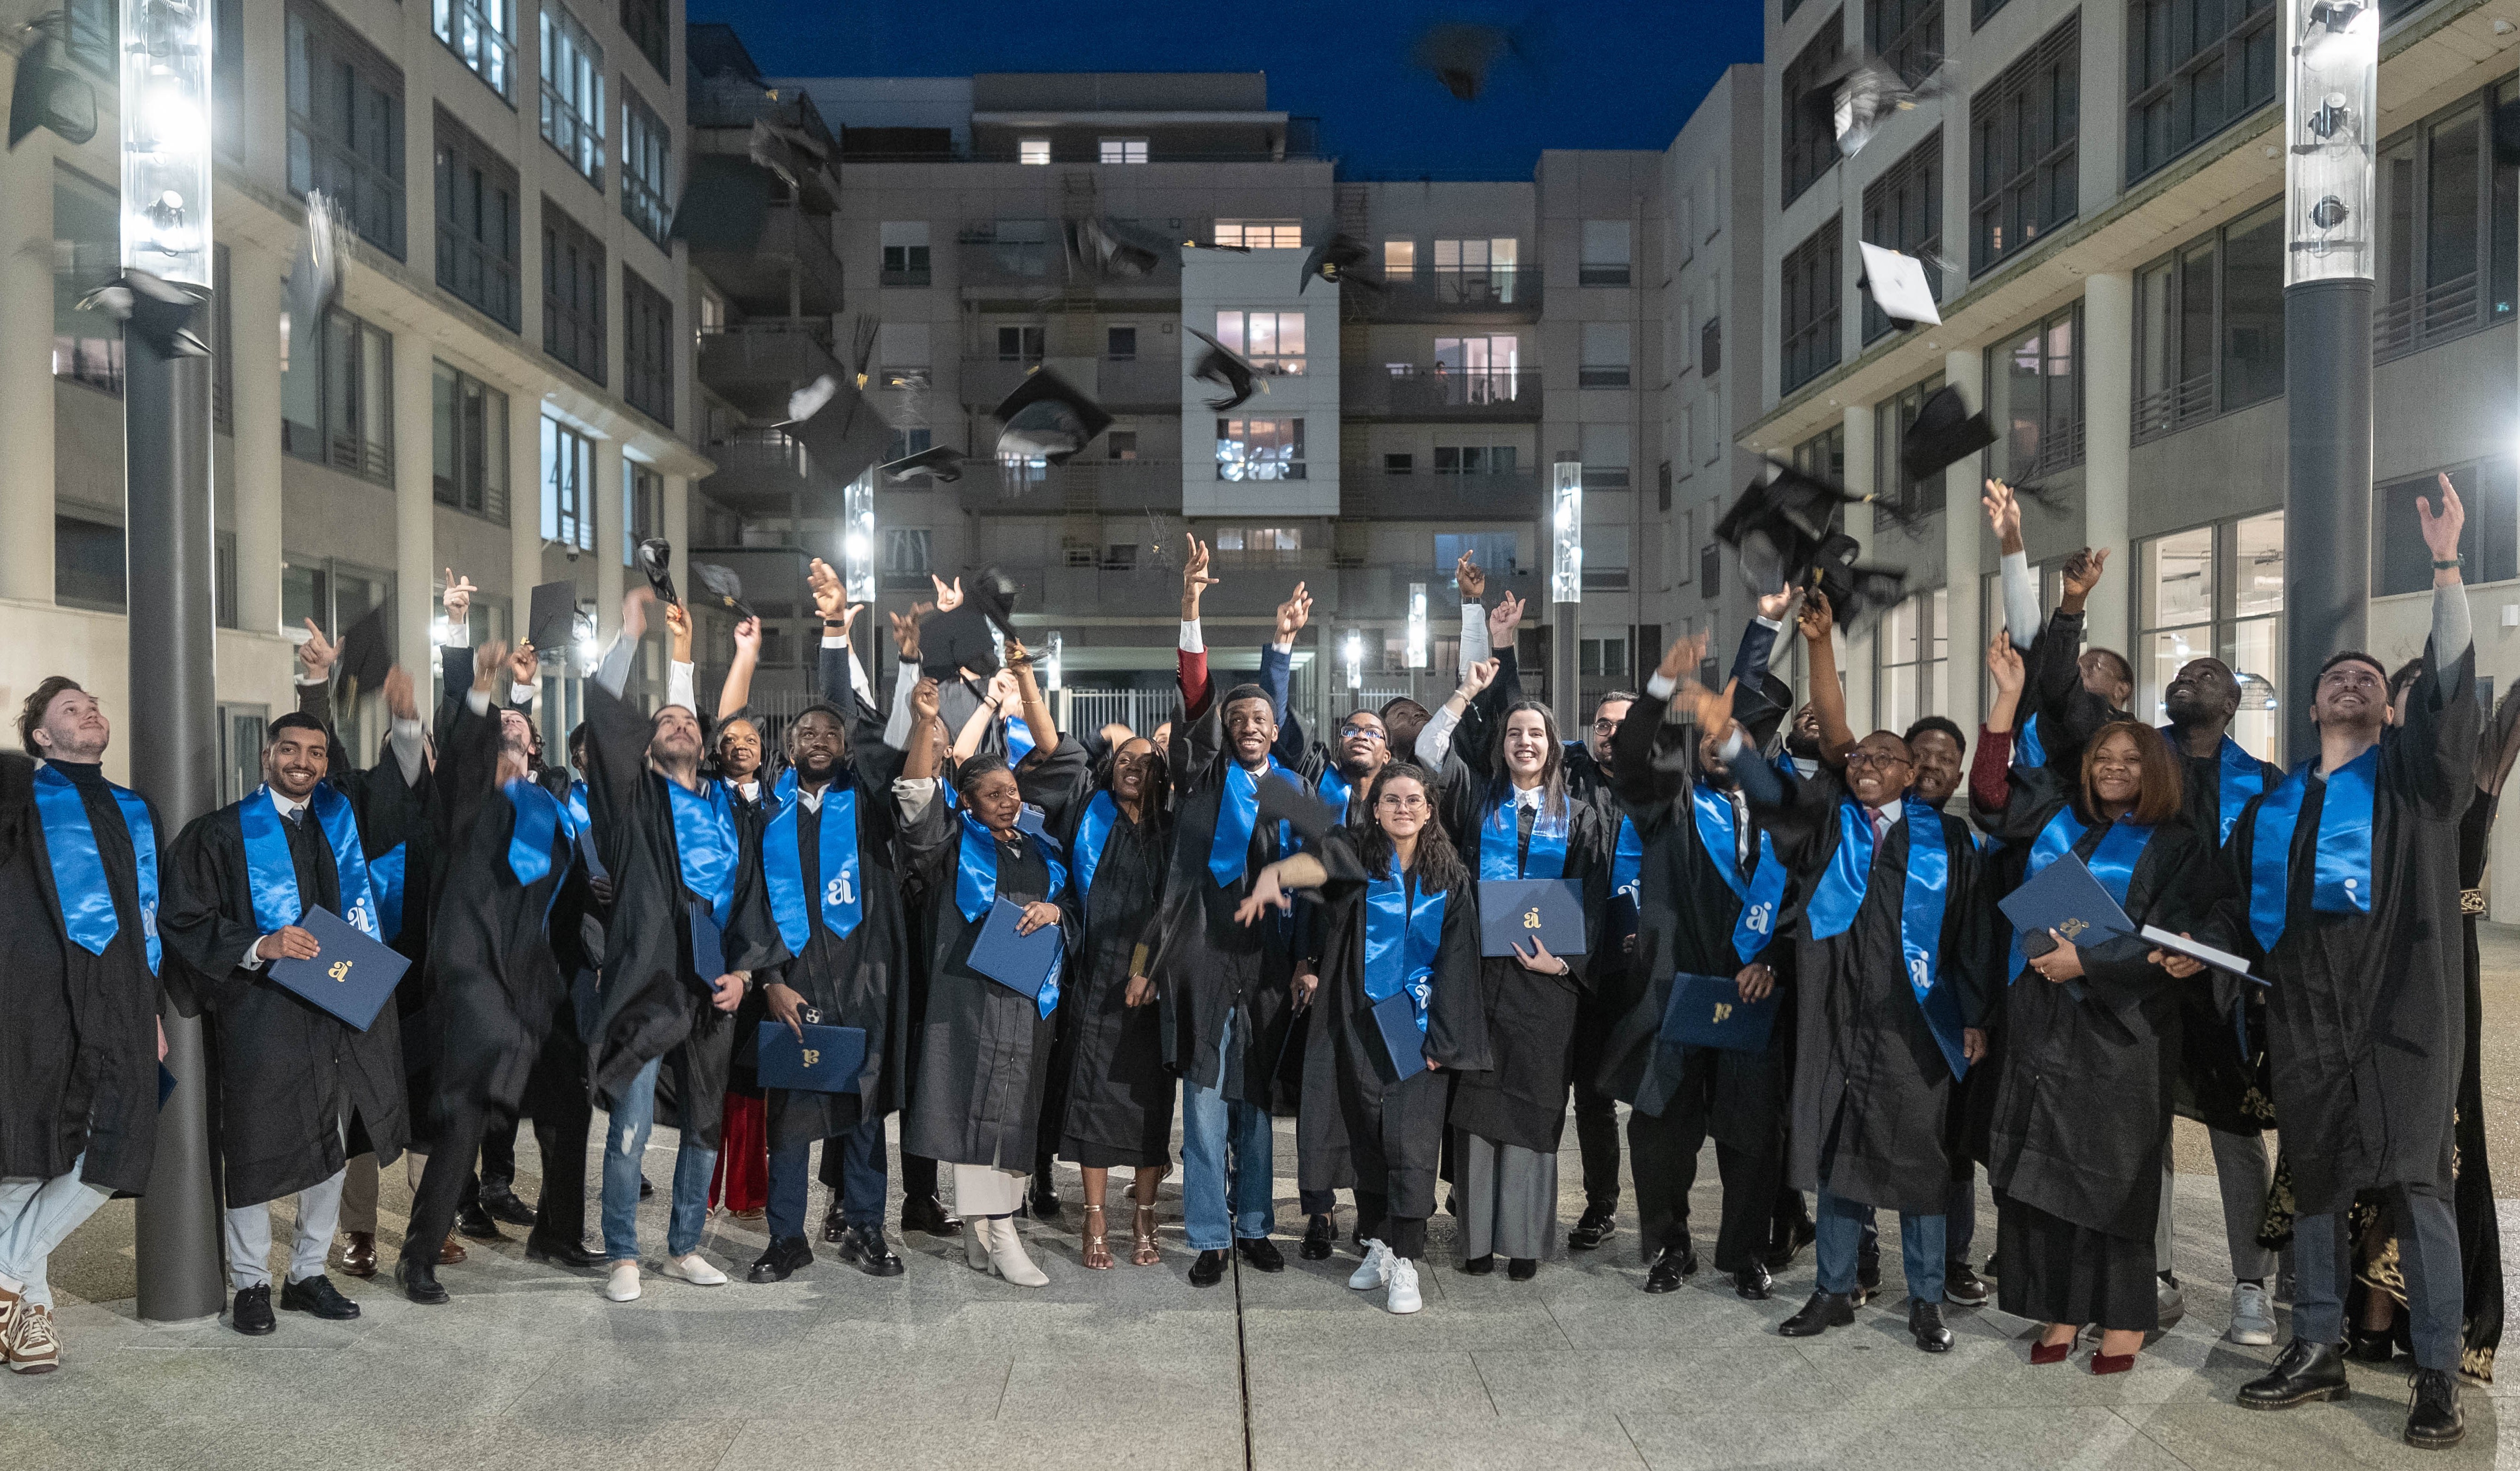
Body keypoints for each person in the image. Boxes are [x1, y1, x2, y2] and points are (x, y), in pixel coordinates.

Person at [2217, 479, 2476, 1448]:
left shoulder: (2415, 784)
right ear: (2313, 702)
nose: (2356, 681)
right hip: (2306, 1017)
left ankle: (2437, 1374)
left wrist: (2446, 564)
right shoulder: (2271, 807)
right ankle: (2317, 1346)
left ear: (2387, 707)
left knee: (2418, 1186)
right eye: (2339, 676)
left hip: (2405, 1013)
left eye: (2373, 678)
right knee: (2316, 1181)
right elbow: (2230, 908)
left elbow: (2450, 702)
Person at [1729, 593, 1993, 1354]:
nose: (1870, 763)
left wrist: (1972, 1016)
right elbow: (1834, 727)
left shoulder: (1948, 841)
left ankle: (1926, 1299)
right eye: (1863, 757)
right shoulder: (1828, 823)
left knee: (1919, 1162)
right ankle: (1833, 1289)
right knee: (1837, 1153)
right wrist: (1819, 643)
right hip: (1835, 1013)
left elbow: (1971, 940)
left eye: (1887, 758)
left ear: (1916, 775)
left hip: (1916, 1022)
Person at [1972, 643, 2225, 1373]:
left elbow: (2180, 938)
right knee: (2043, 1164)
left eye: (2132, 758)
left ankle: (2122, 1319)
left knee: (2113, 1173)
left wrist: (2087, 959)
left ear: (2158, 770)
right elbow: (1990, 793)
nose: (2115, 766)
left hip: (2124, 1027)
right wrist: (2005, 698)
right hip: (2043, 1014)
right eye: (2105, 756)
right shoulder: (2062, 820)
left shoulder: (2181, 846)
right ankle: (2059, 1305)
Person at [163, 683, 421, 1336]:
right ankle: (250, 1281)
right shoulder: (220, 832)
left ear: (326, 762)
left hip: (337, 1005)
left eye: (314, 751)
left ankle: (307, 1272)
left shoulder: (341, 821)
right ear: (266, 753)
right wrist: (259, 943)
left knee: (330, 1144)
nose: (302, 761)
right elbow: (185, 917)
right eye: (289, 749)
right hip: (262, 1011)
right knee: (251, 1144)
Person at [1236, 763, 1489, 1314]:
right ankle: (1379, 1245)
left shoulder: (1451, 878)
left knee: (1411, 1144)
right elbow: (1316, 865)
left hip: (1418, 1028)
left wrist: (1443, 1040)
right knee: (1366, 1138)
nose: (1402, 808)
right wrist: (1275, 875)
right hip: (1358, 1020)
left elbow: (1459, 963)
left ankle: (1407, 1263)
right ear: (1375, 810)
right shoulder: (1360, 862)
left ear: (1429, 811)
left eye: (1413, 800)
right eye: (1391, 799)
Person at [579, 588, 773, 1304]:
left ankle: (685, 1244)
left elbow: (753, 897)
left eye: (687, 720)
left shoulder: (727, 813)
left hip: (712, 988)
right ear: (648, 743)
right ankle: (625, 1252)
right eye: (663, 720)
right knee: (630, 1126)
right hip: (644, 983)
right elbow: (605, 722)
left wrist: (746, 976)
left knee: (703, 1121)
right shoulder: (631, 805)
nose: (678, 725)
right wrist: (630, 636)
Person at [393, 639, 591, 1303]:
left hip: (538, 986)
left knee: (569, 1107)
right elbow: (462, 760)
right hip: (475, 982)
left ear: (535, 750)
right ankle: (417, 1254)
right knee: (464, 1121)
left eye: (519, 732)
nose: (507, 738)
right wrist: (481, 690)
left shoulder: (555, 814)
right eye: (495, 732)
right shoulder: (462, 807)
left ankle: (557, 1233)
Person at [1603, 630, 1794, 1302]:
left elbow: (1806, 898)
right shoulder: (1670, 806)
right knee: (1662, 1129)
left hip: (1753, 995)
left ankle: (1743, 1252)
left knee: (1752, 1134)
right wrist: (1660, 685)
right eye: (1711, 737)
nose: (1719, 746)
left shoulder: (1785, 817)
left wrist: (1771, 955)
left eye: (1734, 737)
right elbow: (1630, 755)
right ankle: (1669, 1244)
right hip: (1673, 994)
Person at [895, 654, 1086, 1288]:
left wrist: (1055, 909)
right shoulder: (951, 842)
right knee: (977, 1110)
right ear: (969, 801)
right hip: (971, 994)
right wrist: (926, 724)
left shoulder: (1039, 844)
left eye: (1013, 790)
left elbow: (1073, 908)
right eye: (994, 792)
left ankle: (983, 1230)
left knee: (1015, 1112)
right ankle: (1000, 1229)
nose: (1010, 798)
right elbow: (918, 799)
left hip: (1029, 997)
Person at [745, 563, 913, 1284]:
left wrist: (836, 629)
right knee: (790, 1116)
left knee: (863, 1110)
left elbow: (847, 709)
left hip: (862, 974)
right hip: (796, 982)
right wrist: (771, 979)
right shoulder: (768, 813)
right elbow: (750, 901)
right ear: (789, 748)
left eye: (829, 732)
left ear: (845, 748)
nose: (818, 736)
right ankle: (788, 1237)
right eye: (805, 730)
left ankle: (867, 1226)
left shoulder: (866, 798)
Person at [1147, 536, 1303, 1287]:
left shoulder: (1291, 789)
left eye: (1261, 717)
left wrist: (1282, 652)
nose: (1248, 723)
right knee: (1205, 1096)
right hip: (1205, 950)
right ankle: (1210, 1232)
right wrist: (1192, 606)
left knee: (1256, 1099)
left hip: (1267, 955)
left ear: (1277, 730)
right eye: (1238, 717)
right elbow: (1198, 690)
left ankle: (1255, 1223)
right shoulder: (1201, 775)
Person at [0, 679, 167, 1372]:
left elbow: (150, 913)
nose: (91, 709)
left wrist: (151, 1005)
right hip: (36, 997)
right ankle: (30, 1311)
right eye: (69, 707)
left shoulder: (135, 808)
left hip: (124, 996)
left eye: (94, 702)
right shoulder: (17, 798)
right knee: (23, 1151)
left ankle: (6, 1276)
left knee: (120, 1142)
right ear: (39, 735)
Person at [1048, 735, 1175, 1270]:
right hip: (1096, 981)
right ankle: (1095, 1215)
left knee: (1148, 1103)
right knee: (1092, 1099)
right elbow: (1070, 895)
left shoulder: (1171, 835)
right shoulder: (1087, 822)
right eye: (1124, 761)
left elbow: (1172, 909)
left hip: (1150, 987)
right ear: (1109, 771)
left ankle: (1145, 1215)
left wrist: (1146, 967)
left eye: (1146, 763)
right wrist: (1058, 915)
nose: (1133, 769)